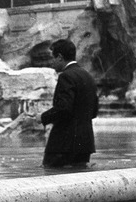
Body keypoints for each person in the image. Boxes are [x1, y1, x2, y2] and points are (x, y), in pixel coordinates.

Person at [40, 39, 99, 168]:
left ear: (60, 57)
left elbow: (64, 108)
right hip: (85, 143)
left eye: (53, 58)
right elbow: (94, 111)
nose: (51, 62)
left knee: (51, 176)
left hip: (64, 143)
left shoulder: (66, 76)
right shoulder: (88, 76)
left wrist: (42, 117)